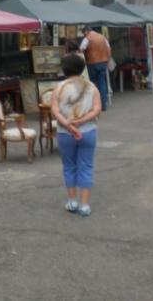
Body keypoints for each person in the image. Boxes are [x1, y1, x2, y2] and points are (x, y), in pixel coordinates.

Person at [50, 54, 102, 217]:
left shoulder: (59, 87)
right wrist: (79, 122)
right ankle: (84, 204)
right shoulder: (91, 86)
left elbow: (54, 110)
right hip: (88, 131)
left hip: (65, 133)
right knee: (86, 165)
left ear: (64, 69)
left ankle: (72, 201)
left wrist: (67, 124)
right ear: (82, 68)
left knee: (69, 165)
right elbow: (97, 109)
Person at [80, 25, 111, 111]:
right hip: (103, 63)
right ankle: (103, 105)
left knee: (93, 85)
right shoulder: (102, 37)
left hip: (92, 63)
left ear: (86, 31)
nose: (84, 35)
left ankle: (95, 105)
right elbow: (109, 48)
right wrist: (107, 60)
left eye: (84, 33)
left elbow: (81, 49)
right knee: (102, 84)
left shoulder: (88, 38)